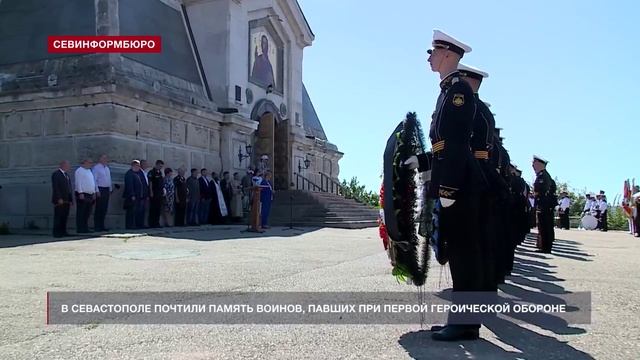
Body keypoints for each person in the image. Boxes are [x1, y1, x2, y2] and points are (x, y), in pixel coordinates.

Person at [406, 30, 481, 341]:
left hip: (458, 183)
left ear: (448, 54)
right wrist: (418, 161)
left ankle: (465, 324)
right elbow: (441, 145)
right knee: (459, 254)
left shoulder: (458, 91)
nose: (429, 57)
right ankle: (462, 321)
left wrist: (447, 190)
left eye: (433, 51)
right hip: (451, 178)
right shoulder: (447, 91)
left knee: (464, 254)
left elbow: (457, 144)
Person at [456, 63, 496, 293]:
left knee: (467, 250)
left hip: (469, 178)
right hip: (477, 176)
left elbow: (462, 146)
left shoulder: (472, 108)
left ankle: (466, 323)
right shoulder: (480, 109)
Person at [533, 155, 556, 253]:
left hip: (544, 205)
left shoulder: (544, 176)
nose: (533, 166)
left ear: (540, 164)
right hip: (544, 204)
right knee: (543, 226)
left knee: (545, 226)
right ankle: (545, 246)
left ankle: (546, 247)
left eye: (534, 164)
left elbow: (541, 191)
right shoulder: (542, 175)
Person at [74, 158, 97, 233]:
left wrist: (93, 192)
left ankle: (85, 227)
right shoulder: (79, 170)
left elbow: (92, 182)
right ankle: (80, 228)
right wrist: (80, 193)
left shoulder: (89, 171)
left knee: (87, 212)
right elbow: (78, 182)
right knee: (81, 212)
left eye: (91, 163)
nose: (91, 164)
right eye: (89, 162)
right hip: (83, 194)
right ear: (85, 162)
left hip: (90, 194)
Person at [51, 160, 73, 237]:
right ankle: (57, 232)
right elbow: (56, 187)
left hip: (66, 200)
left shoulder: (66, 175)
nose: (69, 167)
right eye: (67, 165)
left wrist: (71, 199)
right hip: (60, 200)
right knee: (58, 216)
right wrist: (59, 198)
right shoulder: (56, 174)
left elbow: (69, 188)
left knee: (64, 216)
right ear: (63, 165)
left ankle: (63, 231)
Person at [92, 154, 112, 232]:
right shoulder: (96, 168)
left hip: (106, 189)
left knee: (104, 208)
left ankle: (102, 225)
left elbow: (109, 179)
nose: (105, 160)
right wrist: (97, 190)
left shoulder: (107, 168)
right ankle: (97, 226)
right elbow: (94, 180)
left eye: (106, 158)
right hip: (100, 189)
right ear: (100, 159)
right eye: (104, 158)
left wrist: (110, 189)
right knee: (99, 208)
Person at [123, 160, 144, 229]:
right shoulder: (129, 173)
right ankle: (129, 225)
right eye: (137, 165)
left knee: (137, 211)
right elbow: (129, 185)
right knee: (131, 211)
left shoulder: (138, 173)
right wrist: (132, 195)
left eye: (139, 165)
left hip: (138, 196)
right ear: (133, 165)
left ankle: (136, 225)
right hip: (131, 196)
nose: (139, 167)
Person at [147, 160, 164, 228]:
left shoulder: (160, 173)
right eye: (160, 166)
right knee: (153, 209)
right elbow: (150, 182)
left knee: (158, 209)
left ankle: (157, 223)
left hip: (159, 193)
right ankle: (151, 223)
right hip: (154, 193)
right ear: (156, 164)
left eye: (161, 166)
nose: (160, 167)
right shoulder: (152, 172)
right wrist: (151, 191)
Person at [139, 160, 151, 228]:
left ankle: (142, 223)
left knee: (143, 210)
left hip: (145, 194)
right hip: (141, 194)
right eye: (145, 164)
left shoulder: (145, 173)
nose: (146, 165)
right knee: (140, 209)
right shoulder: (139, 172)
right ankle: (139, 224)